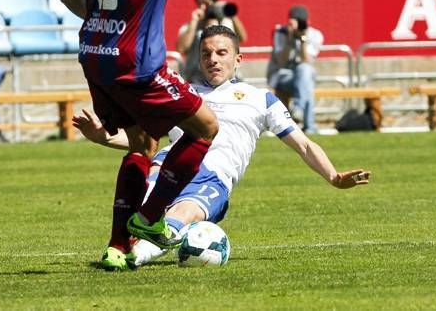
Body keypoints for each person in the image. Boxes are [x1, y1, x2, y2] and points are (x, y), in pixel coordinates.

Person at [59, 0, 241, 270]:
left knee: (142, 143)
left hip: (94, 55)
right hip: (135, 62)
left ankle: (117, 247)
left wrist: (106, 21)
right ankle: (150, 217)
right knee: (205, 127)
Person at [72, 25, 371, 269]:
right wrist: (104, 137)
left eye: (221, 53)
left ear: (238, 60)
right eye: (206, 54)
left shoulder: (260, 98)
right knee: (142, 207)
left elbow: (304, 145)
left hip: (214, 177)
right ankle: (125, 248)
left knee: (183, 212)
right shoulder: (183, 94)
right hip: (167, 165)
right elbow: (145, 141)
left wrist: (334, 176)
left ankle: (137, 256)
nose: (213, 59)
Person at [267, 5, 324, 134]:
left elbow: (307, 61)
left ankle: (298, 108)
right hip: (282, 76)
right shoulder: (281, 33)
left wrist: (302, 39)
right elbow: (281, 62)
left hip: (303, 76)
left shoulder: (315, 35)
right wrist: (290, 38)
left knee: (304, 71)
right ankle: (310, 126)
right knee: (306, 83)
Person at [176, 0, 247, 83]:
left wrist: (228, 11)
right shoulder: (190, 26)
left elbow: (243, 38)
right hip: (197, 79)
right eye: (200, 4)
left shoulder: (227, 21)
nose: (203, 7)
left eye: (206, 4)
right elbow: (181, 48)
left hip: (229, 78)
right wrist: (194, 22)